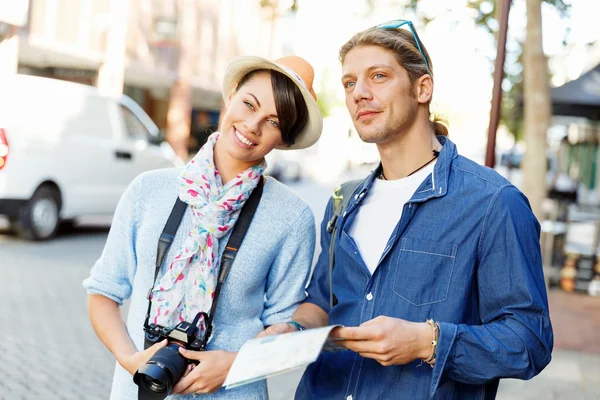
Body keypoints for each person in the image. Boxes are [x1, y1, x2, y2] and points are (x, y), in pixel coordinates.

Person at [260, 21, 553, 399]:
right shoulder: (343, 201)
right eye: (349, 83)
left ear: (422, 88)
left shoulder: (493, 203)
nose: (359, 94)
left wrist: (425, 342)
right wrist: (295, 329)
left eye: (378, 76)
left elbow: (529, 340)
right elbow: (322, 300)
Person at [83, 55, 323, 400]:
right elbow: (103, 293)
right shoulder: (148, 190)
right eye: (249, 104)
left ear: (285, 138)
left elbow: (284, 328)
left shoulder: (292, 216)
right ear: (232, 95)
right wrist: (132, 360)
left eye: (273, 121)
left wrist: (236, 365)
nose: (252, 125)